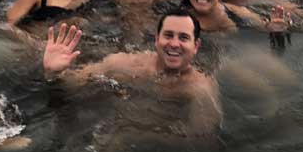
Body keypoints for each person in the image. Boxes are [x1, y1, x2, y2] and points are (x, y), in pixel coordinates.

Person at [42, 11, 221, 136]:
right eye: (168, 35)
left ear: (196, 46)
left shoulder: (200, 88)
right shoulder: (125, 64)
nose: (174, 44)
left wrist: (132, 136)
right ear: (157, 39)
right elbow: (73, 85)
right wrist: (54, 73)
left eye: (183, 38)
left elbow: (202, 141)